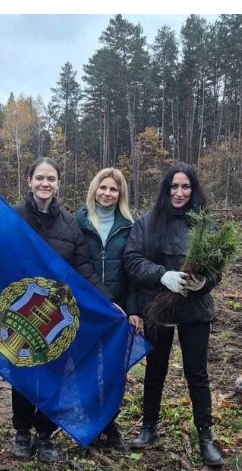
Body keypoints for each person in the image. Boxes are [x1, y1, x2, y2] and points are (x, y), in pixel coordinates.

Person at [10, 157, 113, 464]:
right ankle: (22, 433)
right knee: (24, 370)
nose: (45, 184)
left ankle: (45, 434)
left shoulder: (69, 223)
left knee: (55, 373)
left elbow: (83, 267)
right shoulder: (13, 217)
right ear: (29, 181)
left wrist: (109, 301)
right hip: (22, 309)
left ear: (57, 184)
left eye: (51, 179)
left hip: (56, 314)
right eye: (40, 178)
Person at [123, 162, 224, 466]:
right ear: (166, 189)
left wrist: (205, 282)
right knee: (156, 370)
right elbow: (132, 260)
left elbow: (217, 267)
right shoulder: (147, 223)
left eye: (185, 187)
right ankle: (149, 427)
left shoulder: (205, 225)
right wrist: (161, 275)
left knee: (197, 373)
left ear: (193, 190)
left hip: (195, 310)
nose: (179, 193)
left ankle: (205, 436)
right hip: (158, 306)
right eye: (174, 187)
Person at [76, 167, 143, 450]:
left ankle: (111, 425)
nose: (107, 193)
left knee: (115, 370)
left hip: (118, 311)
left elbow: (136, 271)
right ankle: (91, 423)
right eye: (103, 187)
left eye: (113, 189)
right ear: (94, 189)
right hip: (85, 308)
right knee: (85, 368)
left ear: (120, 194)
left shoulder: (130, 225)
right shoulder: (77, 221)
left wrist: (134, 309)